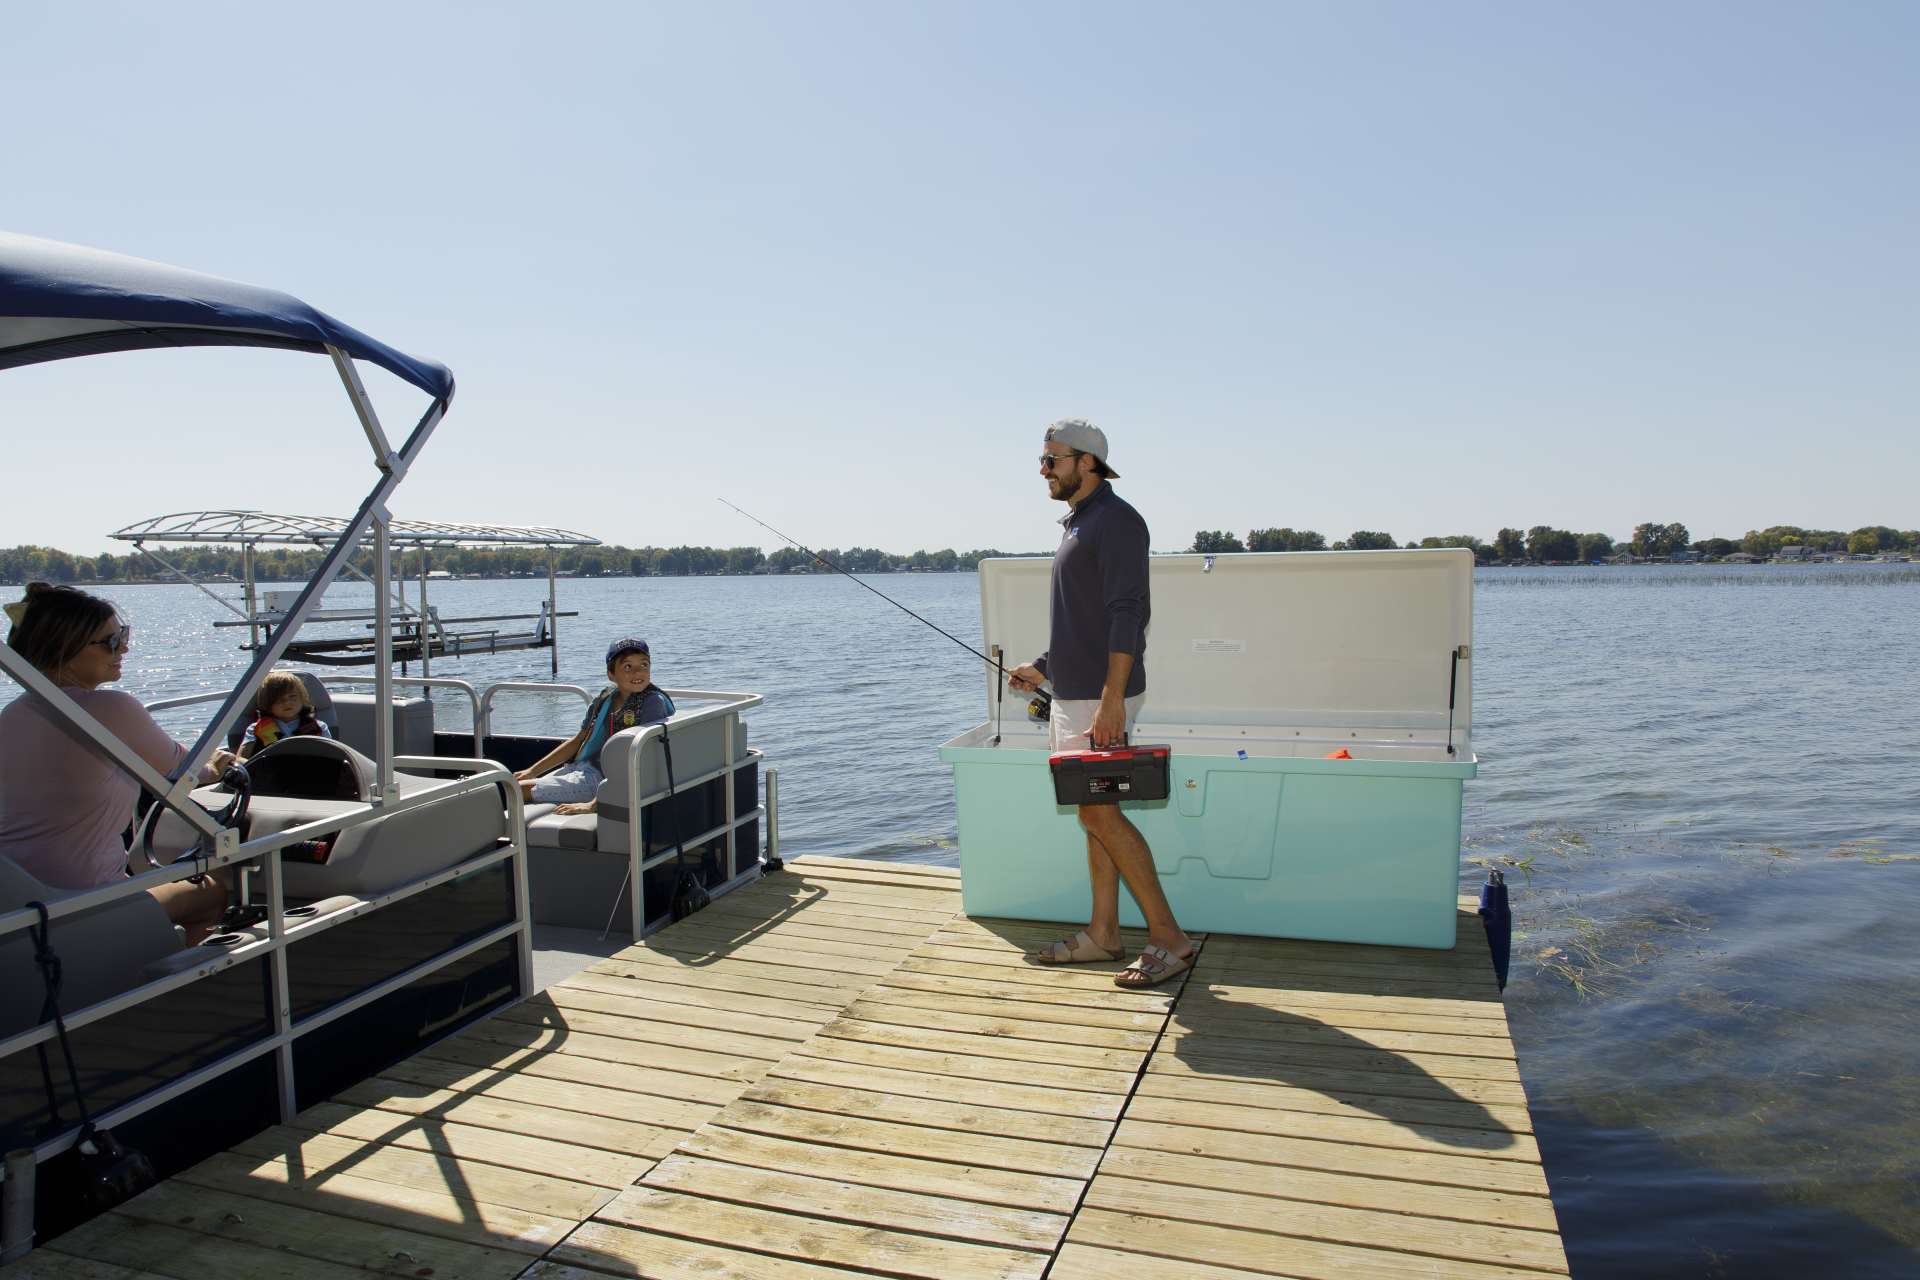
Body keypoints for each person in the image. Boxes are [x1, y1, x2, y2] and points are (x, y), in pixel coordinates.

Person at [1007, 419, 1197, 989]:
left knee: (1096, 812)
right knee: (1096, 816)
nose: (1044, 470)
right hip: (1076, 690)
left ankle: (1169, 938)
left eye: (1052, 460)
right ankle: (1104, 934)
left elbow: (1126, 614)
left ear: (1087, 462)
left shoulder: (1116, 521)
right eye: (1041, 460)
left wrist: (1111, 700)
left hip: (1098, 696)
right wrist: (1043, 665)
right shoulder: (1080, 523)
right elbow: (1082, 617)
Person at [1, 582, 237, 939]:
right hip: (86, 901)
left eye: (122, 634)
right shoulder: (110, 708)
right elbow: (190, 773)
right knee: (215, 888)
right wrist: (221, 762)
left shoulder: (12, 715)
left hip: (18, 901)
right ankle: (174, 987)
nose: (124, 647)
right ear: (65, 648)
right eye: (111, 641)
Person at [515, 637, 674, 815]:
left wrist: (594, 804)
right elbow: (579, 740)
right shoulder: (605, 700)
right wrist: (532, 770)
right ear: (611, 674)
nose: (638, 672)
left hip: (603, 779)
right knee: (513, 784)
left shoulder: (652, 704)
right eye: (628, 667)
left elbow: (640, 758)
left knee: (518, 790)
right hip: (583, 768)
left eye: (644, 665)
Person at [236, 669, 332, 761]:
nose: (287, 702)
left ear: (302, 698)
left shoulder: (320, 727)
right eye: (279, 699)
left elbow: (331, 756)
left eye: (292, 696)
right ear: (268, 704)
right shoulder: (255, 729)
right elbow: (240, 759)